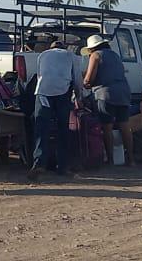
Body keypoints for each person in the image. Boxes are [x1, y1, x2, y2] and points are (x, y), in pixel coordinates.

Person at [28, 38, 81, 180]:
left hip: (42, 93)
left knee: (41, 129)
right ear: (64, 47)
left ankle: (38, 163)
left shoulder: (43, 55)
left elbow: (39, 76)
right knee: (63, 129)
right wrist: (79, 97)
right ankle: (62, 167)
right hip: (62, 92)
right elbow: (77, 79)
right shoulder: (71, 56)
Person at [82, 35, 135, 167]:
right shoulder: (115, 55)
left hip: (106, 94)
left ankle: (110, 160)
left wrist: (84, 83)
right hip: (123, 92)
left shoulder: (95, 55)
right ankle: (131, 159)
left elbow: (89, 79)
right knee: (124, 127)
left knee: (107, 127)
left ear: (92, 48)